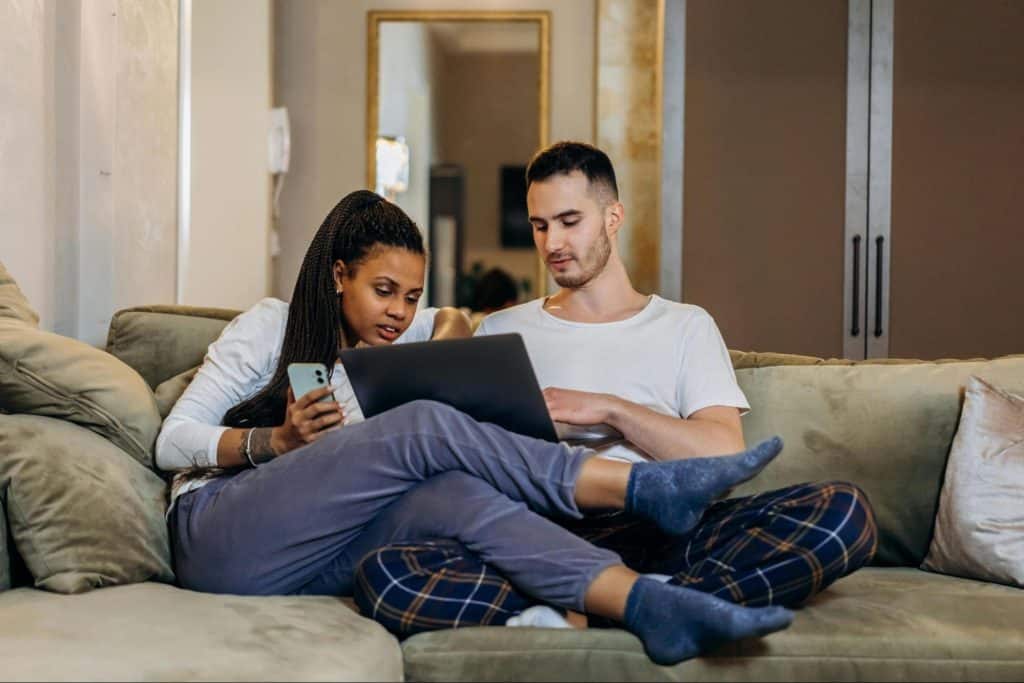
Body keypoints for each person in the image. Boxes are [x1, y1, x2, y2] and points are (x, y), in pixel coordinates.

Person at [156, 188, 798, 667]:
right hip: (219, 536)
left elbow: (451, 320)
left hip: (308, 556)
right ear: (337, 275)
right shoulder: (269, 327)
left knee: (456, 496)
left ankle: (649, 607)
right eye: (384, 290)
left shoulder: (393, 339)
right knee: (425, 426)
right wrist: (273, 442)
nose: (398, 311)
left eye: (410, 295)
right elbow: (171, 440)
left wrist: (439, 329)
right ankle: (639, 489)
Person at [353, 143, 879, 642]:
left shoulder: (684, 325)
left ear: (613, 217)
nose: (552, 243)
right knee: (386, 573)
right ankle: (650, 606)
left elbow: (723, 454)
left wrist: (610, 410)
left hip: (665, 534)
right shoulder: (498, 331)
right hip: (539, 534)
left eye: (569, 221)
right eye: (540, 226)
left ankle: (597, 609)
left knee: (843, 514)